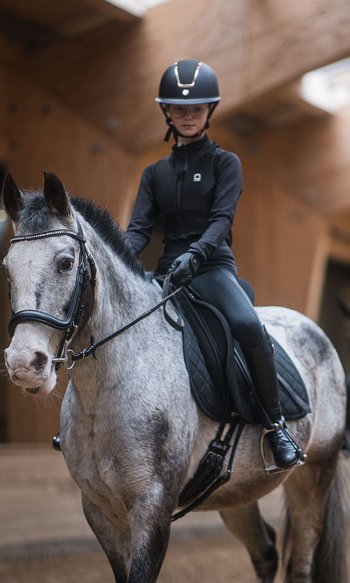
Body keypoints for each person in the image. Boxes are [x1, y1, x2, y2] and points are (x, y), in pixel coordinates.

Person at [124, 59, 304, 470]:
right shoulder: (154, 174)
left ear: (209, 111)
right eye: (179, 109)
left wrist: (198, 255)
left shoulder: (227, 164)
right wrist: (115, 256)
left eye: (196, 109)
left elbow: (222, 221)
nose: (188, 116)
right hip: (167, 271)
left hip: (212, 267)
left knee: (247, 325)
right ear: (166, 112)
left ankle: (276, 425)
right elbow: (138, 231)